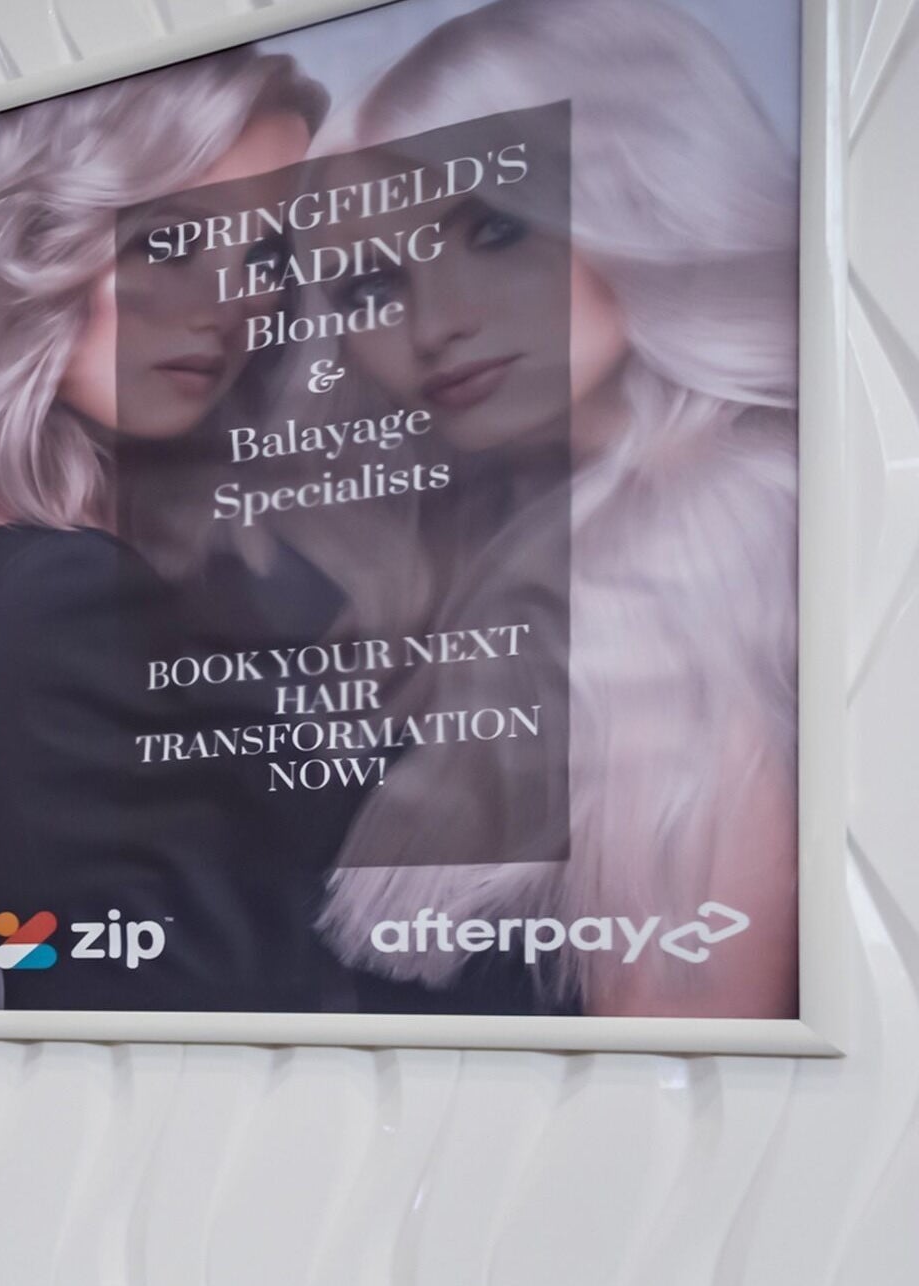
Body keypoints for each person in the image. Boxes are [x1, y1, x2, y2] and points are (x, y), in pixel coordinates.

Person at [311, 0, 799, 1017]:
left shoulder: (699, 532)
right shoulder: (561, 531)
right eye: (371, 285)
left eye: (492, 229)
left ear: (645, 192)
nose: (436, 323)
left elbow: (678, 1072)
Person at [0, 49, 369, 1013]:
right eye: (168, 244)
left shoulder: (210, 560)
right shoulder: (57, 592)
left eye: (265, 257)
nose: (231, 305)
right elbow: (196, 990)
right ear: (40, 243)